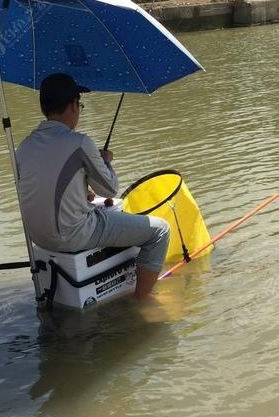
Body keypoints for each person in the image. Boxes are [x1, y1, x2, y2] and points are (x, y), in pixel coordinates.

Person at [16, 73, 170, 299]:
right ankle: (143, 302)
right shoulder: (79, 143)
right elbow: (109, 189)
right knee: (160, 231)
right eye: (80, 104)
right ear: (72, 105)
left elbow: (45, 185)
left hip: (38, 237)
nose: (79, 110)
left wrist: (80, 192)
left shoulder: (24, 146)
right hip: (73, 234)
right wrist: (106, 160)